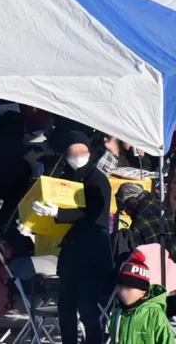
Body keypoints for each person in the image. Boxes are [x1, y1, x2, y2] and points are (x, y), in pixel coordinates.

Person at [30, 130, 113, 344]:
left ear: (89, 151)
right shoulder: (66, 176)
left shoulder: (97, 179)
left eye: (81, 151)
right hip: (70, 255)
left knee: (87, 308)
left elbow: (96, 214)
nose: (76, 156)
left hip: (92, 255)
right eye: (72, 152)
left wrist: (59, 213)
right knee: (65, 307)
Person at [106, 250, 174, 344]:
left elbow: (168, 341)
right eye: (121, 287)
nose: (123, 291)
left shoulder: (155, 315)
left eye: (129, 288)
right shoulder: (116, 314)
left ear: (143, 292)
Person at [115, 182, 176, 262]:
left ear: (132, 203)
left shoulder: (139, 224)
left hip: (158, 267)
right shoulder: (163, 207)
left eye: (125, 209)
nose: (126, 213)